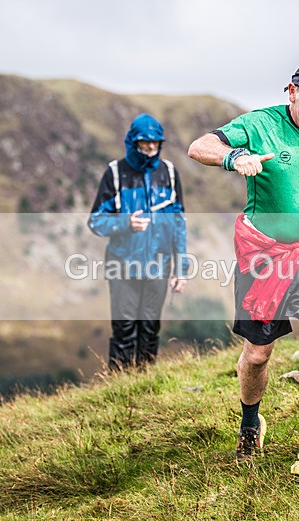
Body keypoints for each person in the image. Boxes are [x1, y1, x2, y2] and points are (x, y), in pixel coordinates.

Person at [188, 60, 299, 475]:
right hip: (264, 256)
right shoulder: (259, 124)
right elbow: (199, 147)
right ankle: (251, 422)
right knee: (257, 354)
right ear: (291, 91)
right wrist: (233, 157)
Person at [88, 113, 188, 371]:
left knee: (150, 327)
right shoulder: (116, 174)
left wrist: (181, 270)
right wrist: (125, 224)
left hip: (159, 265)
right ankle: (119, 384)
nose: (152, 147)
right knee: (124, 328)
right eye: (146, 142)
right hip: (123, 266)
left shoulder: (169, 173)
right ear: (133, 142)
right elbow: (96, 221)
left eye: (156, 142)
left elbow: (179, 224)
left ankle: (144, 381)